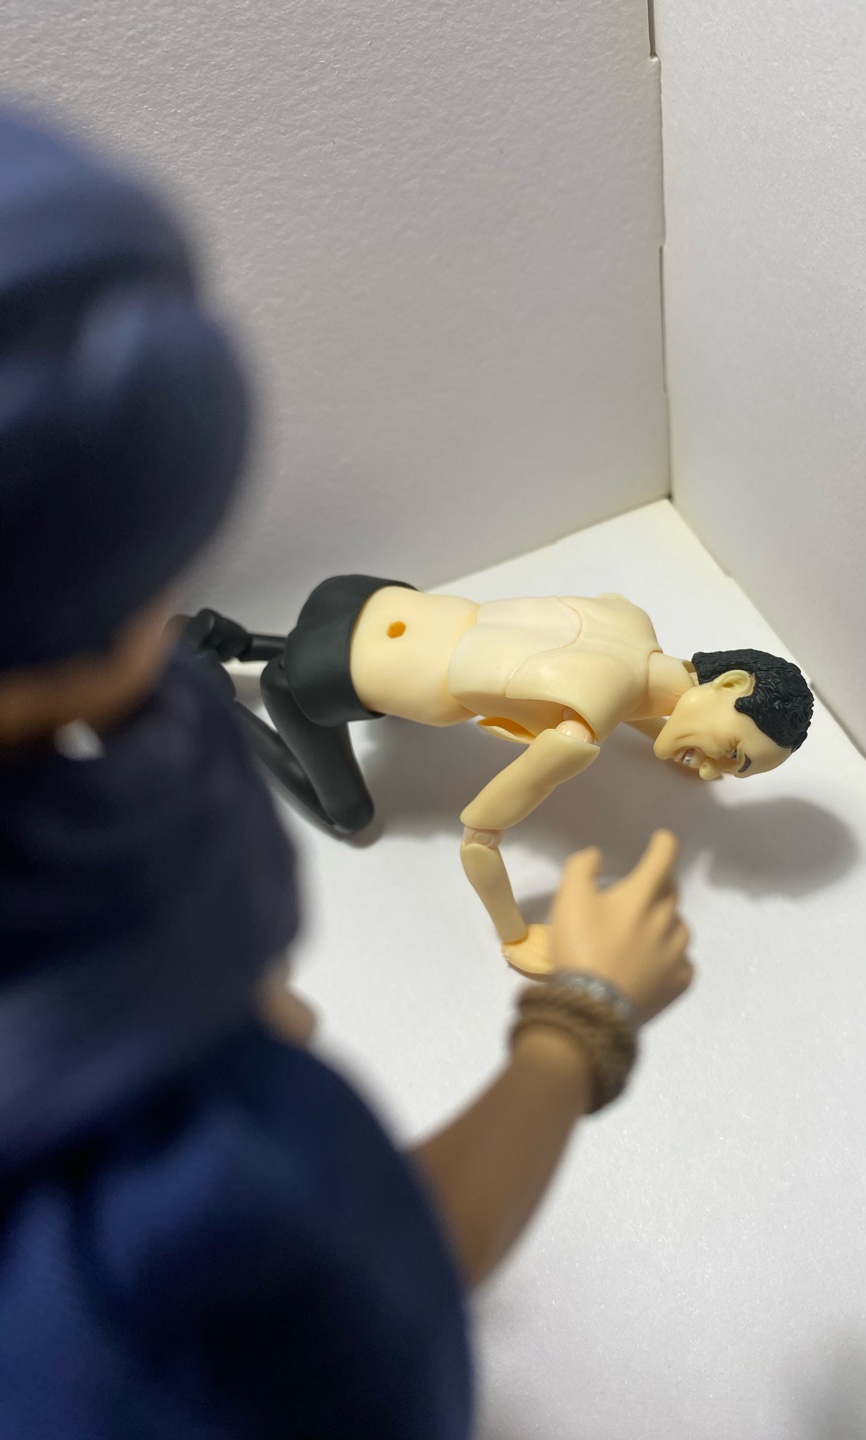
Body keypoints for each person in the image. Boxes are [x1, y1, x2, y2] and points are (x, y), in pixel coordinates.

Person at [0, 109, 693, 1439]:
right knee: (350, 812)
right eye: (147, 586)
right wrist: (577, 1001)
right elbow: (392, 1266)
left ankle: (234, 653)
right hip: (339, 681)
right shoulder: (181, 1188)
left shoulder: (620, 619)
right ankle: (236, 675)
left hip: (368, 614)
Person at [186, 584, 813, 974]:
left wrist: (677, 743)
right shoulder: (576, 733)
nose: (714, 771)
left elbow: (635, 692)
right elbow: (478, 838)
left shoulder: (628, 616)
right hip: (319, 678)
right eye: (732, 753)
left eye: (735, 770)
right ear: (730, 683)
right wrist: (515, 936)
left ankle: (230, 638)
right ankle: (210, 688)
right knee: (348, 817)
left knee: (386, 687)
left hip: (369, 596)